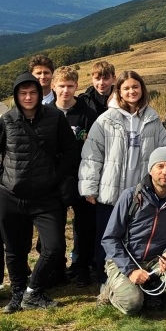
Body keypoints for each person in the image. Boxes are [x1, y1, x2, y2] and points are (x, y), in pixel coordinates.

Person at [0, 72, 80, 313]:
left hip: (47, 197)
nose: (28, 97)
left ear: (39, 93)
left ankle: (33, 291)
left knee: (54, 247)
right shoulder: (6, 121)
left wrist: (56, 177)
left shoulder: (55, 118)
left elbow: (70, 151)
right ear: (16, 95)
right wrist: (1, 179)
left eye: (32, 92)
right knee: (14, 249)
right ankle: (17, 293)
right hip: (10, 197)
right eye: (23, 93)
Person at [78, 70, 166, 284]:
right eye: (126, 88)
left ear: (142, 89)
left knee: (135, 238)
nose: (131, 91)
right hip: (111, 192)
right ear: (118, 91)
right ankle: (105, 280)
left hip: (141, 194)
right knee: (108, 237)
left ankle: (134, 279)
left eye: (135, 87)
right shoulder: (105, 120)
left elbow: (165, 150)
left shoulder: (152, 119)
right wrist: (89, 188)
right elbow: (92, 155)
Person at [98, 148, 166, 314]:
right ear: (150, 170)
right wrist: (130, 271)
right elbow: (109, 239)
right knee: (132, 304)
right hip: (125, 260)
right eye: (160, 166)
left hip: (156, 262)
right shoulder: (132, 196)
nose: (165, 171)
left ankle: (150, 292)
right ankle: (109, 291)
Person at [53, 65, 99, 286]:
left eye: (70, 86)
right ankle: (55, 268)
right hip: (55, 179)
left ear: (76, 86)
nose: (65, 91)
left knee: (83, 226)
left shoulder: (87, 115)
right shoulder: (47, 114)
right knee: (54, 225)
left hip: (81, 177)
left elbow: (94, 148)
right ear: (53, 87)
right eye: (61, 86)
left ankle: (81, 267)